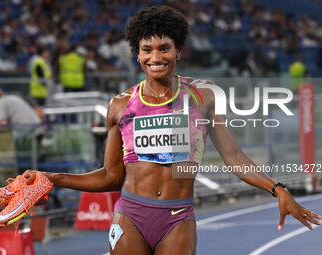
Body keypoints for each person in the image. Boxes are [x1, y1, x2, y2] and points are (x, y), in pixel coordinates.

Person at [23, 6, 321, 255]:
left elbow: (234, 156)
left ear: (178, 51)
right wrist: (52, 178)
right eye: (147, 50)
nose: (156, 57)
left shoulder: (204, 96)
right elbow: (111, 176)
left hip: (178, 218)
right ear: (137, 55)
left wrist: (277, 188)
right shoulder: (120, 105)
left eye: (164, 48)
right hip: (130, 214)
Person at [0, 85, 44, 174]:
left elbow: (3, 126)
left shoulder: (0, 103)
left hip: (27, 133)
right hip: (37, 130)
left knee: (24, 169)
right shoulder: (11, 98)